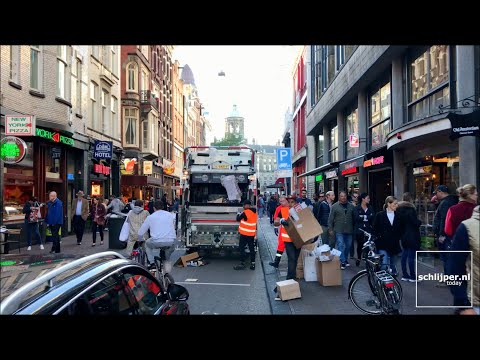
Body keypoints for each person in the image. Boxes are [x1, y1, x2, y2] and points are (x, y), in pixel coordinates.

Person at [446, 205, 479, 315]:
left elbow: (447, 229)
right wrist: (463, 304)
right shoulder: (467, 227)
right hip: (475, 302)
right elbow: (454, 267)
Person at [138, 200, 176, 272]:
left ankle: (152, 263)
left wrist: (140, 238)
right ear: (163, 207)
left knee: (147, 244)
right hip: (170, 241)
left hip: (156, 241)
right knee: (167, 255)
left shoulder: (150, 217)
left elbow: (141, 232)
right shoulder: (170, 215)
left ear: (154, 208)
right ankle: (167, 271)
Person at [372, 196, 403, 276]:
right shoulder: (380, 215)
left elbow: (401, 229)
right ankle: (383, 283)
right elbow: (375, 229)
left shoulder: (399, 216)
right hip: (383, 245)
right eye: (395, 204)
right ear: (389, 204)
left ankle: (391, 285)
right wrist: (377, 239)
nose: (397, 206)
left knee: (393, 266)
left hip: (394, 245)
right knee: (384, 264)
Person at [396, 192, 421, 282]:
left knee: (404, 255)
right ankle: (413, 276)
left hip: (403, 235)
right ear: (410, 199)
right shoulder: (411, 210)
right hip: (412, 235)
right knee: (411, 257)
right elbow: (415, 223)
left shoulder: (398, 209)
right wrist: (419, 222)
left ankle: (405, 275)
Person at [275, 195, 301, 280]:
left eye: (292, 202)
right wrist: (280, 221)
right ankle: (289, 279)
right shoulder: (282, 211)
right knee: (291, 258)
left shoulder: (299, 210)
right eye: (288, 202)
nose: (290, 204)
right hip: (288, 239)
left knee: (295, 259)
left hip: (298, 239)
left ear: (296, 203)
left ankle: (292, 277)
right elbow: (276, 221)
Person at [328, 190, 356, 269]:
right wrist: (330, 229)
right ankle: (342, 261)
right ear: (339, 197)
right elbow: (330, 219)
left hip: (349, 230)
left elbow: (354, 218)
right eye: (341, 196)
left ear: (346, 197)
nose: (343, 197)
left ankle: (345, 259)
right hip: (339, 229)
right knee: (340, 245)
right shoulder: (334, 206)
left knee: (348, 245)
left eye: (344, 196)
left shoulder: (351, 206)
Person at [432, 185, 458, 252]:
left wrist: (442, 234)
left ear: (440, 192)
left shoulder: (445, 202)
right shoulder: (449, 201)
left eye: (436, 193)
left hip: (445, 235)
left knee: (445, 256)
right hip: (448, 233)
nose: (436, 195)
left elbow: (444, 219)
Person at [233, 200, 258, 270]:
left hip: (244, 234)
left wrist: (238, 213)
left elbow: (238, 219)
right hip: (251, 234)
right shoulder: (255, 212)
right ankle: (253, 264)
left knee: (242, 248)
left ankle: (242, 263)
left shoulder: (246, 212)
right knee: (251, 249)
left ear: (247, 205)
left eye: (244, 205)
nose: (243, 206)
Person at [352, 193, 374, 266]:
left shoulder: (370, 208)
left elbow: (372, 217)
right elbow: (356, 218)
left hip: (368, 230)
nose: (369, 200)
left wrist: (363, 217)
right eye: (367, 198)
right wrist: (367, 217)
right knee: (360, 245)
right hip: (360, 230)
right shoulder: (356, 208)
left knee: (368, 245)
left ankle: (366, 259)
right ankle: (359, 257)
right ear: (363, 199)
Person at [269, 196, 289, 268]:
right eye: (280, 201)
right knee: (280, 246)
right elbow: (276, 219)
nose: (281, 203)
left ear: (286, 201)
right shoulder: (278, 208)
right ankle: (276, 262)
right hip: (283, 231)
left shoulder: (292, 207)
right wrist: (275, 227)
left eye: (283, 201)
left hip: (292, 231)